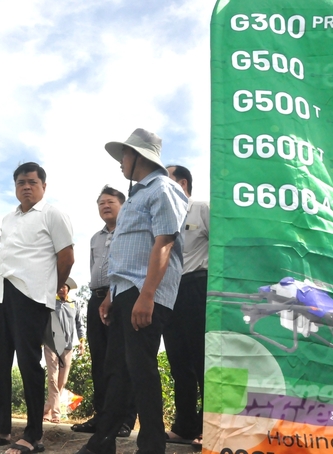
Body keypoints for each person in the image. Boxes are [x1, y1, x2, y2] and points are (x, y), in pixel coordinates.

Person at [76, 128, 187, 454]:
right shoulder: (137, 196)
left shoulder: (164, 188)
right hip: (126, 291)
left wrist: (148, 294)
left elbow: (164, 242)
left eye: (124, 154)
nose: (121, 162)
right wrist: (111, 295)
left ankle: (152, 445)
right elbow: (125, 254)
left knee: (140, 367)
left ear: (139, 156)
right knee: (117, 369)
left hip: (145, 291)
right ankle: (104, 440)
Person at [0, 162, 74, 454]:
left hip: (31, 295)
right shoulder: (8, 218)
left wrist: (51, 287)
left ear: (43, 185)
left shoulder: (53, 214)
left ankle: (33, 433)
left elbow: (67, 256)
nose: (26, 187)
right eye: (20, 183)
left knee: (29, 363)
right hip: (1, 294)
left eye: (31, 182)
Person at [71, 186, 136, 438]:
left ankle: (125, 419)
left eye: (110, 202)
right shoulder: (95, 238)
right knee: (99, 360)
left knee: (121, 360)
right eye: (101, 203)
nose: (105, 206)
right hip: (95, 297)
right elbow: (92, 268)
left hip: (122, 297)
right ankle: (102, 416)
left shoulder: (130, 231)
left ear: (123, 204)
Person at [164, 165, 209, 449]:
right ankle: (184, 426)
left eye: (165, 180)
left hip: (197, 287)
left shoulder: (202, 208)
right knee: (178, 362)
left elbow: (222, 248)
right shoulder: (163, 217)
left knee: (202, 360)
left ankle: (209, 426)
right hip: (169, 292)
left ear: (182, 183)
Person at [43, 277, 84, 424]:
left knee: (62, 381)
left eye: (64, 287)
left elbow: (79, 324)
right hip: (52, 344)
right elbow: (42, 321)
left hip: (67, 346)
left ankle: (46, 409)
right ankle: (55, 413)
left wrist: (82, 341)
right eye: (59, 286)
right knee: (52, 379)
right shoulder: (50, 302)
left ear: (68, 289)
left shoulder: (74, 304)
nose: (61, 289)